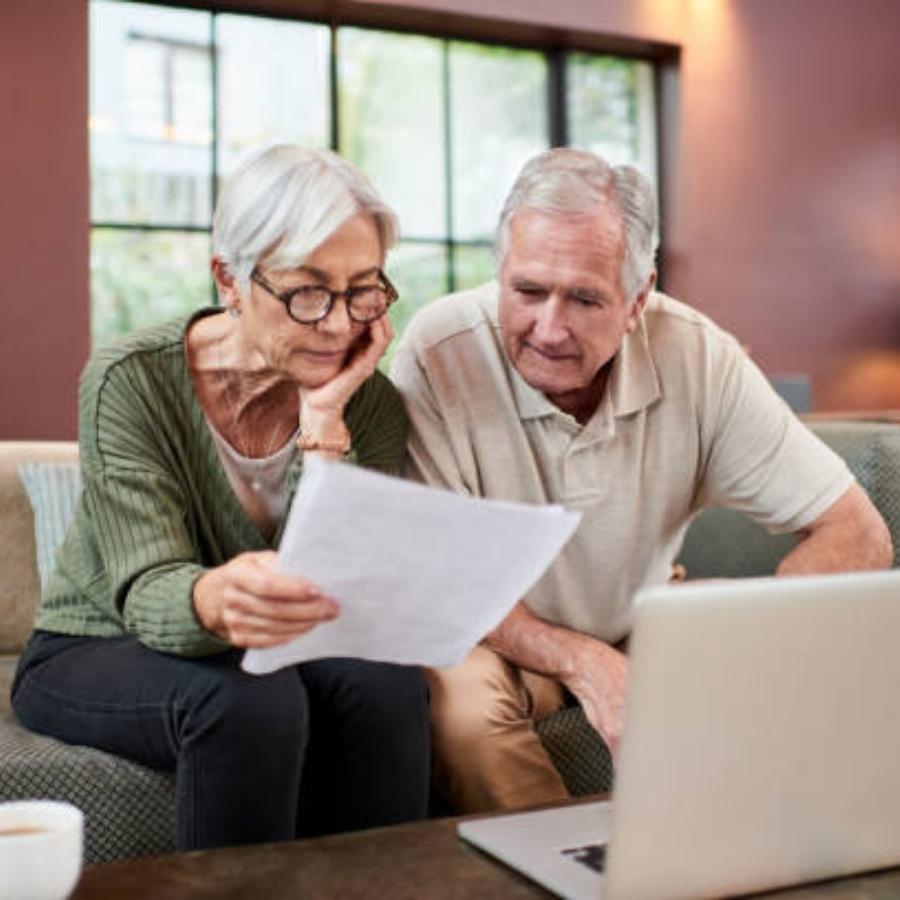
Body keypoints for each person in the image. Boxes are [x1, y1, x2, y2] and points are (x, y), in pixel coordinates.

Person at [390, 147, 892, 814]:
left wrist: (746, 629)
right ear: (500, 273)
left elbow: (857, 532)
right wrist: (579, 660)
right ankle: (556, 870)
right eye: (528, 290)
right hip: (497, 635)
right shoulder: (437, 350)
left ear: (637, 299)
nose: (549, 328)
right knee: (458, 704)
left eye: (585, 299)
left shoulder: (699, 354)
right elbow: (443, 579)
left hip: (642, 623)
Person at [12, 145, 430, 849]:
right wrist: (214, 597)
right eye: (307, 290)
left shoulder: (371, 403)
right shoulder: (130, 379)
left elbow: (346, 583)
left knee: (389, 684)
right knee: (246, 698)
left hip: (276, 647)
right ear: (230, 280)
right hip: (96, 645)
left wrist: (323, 423)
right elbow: (146, 586)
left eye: (363, 289)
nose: (337, 323)